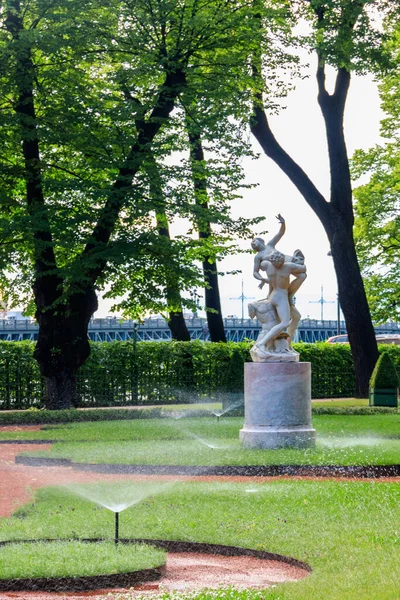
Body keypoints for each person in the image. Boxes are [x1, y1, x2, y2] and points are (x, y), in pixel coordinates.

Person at [254, 250, 307, 349]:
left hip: (273, 295)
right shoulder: (288, 266)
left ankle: (287, 343)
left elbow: (259, 266)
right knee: (284, 322)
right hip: (281, 297)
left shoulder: (267, 265)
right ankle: (262, 343)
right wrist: (290, 259)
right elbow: (304, 268)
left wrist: (262, 279)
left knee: (296, 317)